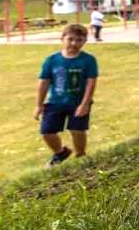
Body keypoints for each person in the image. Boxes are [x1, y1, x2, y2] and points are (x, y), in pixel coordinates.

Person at [35, 24, 98, 167]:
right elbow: (44, 82)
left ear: (84, 42)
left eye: (79, 40)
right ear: (62, 39)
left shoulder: (88, 60)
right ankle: (60, 152)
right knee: (47, 132)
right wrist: (39, 105)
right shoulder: (51, 60)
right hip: (55, 102)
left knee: (77, 130)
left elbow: (91, 83)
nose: (74, 43)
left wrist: (85, 104)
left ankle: (81, 155)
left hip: (78, 102)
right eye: (70, 39)